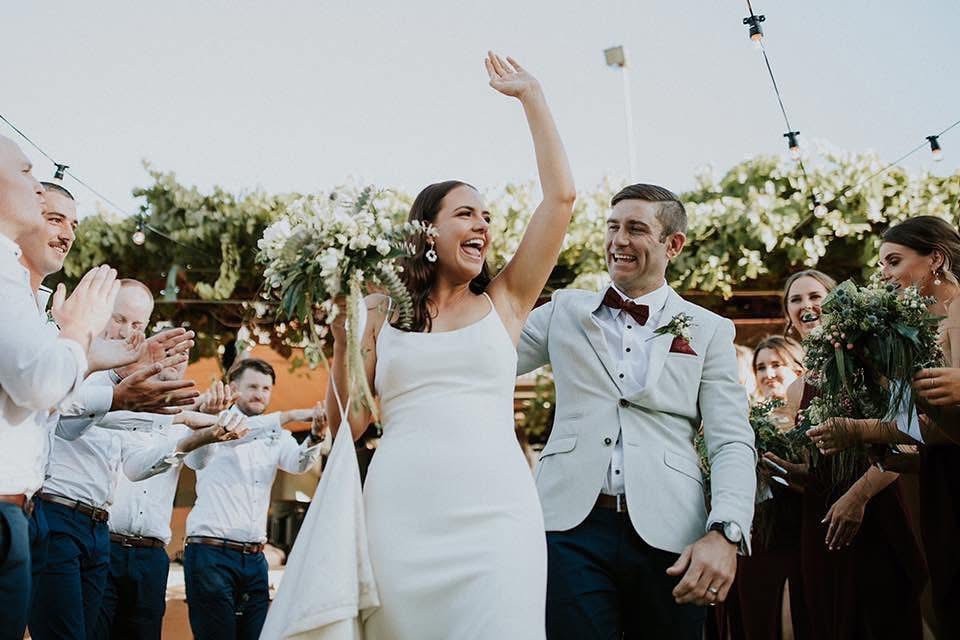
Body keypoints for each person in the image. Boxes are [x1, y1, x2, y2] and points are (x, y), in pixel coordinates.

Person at [320, 52, 575, 639]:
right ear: (428, 231)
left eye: (487, 216)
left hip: (498, 516)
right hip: (400, 516)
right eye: (465, 214)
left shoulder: (508, 299)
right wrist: (340, 340)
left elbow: (560, 199)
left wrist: (533, 96)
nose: (483, 225)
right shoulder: (379, 310)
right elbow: (347, 425)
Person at [517, 182, 756, 639]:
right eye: (612, 227)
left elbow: (730, 439)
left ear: (673, 244)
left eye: (635, 229)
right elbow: (489, 357)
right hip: (568, 529)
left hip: (672, 533)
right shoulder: (563, 310)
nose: (618, 240)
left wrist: (726, 531)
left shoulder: (709, 330)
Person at [809, 216, 960, 636]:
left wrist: (862, 429)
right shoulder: (917, 333)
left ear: (936, 259)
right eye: (882, 265)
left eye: (894, 261)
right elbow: (920, 428)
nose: (885, 274)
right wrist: (864, 430)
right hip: (941, 486)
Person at [0, 134, 121, 639]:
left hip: (22, 509)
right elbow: (40, 384)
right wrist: (78, 333)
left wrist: (91, 358)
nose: (36, 184)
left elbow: (37, 409)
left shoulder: (23, 293)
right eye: (26, 172)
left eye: (74, 224)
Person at [777, 269, 926, 640]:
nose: (807, 304)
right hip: (823, 525)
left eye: (816, 296)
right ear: (789, 318)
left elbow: (909, 437)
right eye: (796, 299)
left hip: (876, 510)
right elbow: (814, 466)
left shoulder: (874, 361)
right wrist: (788, 470)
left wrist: (857, 498)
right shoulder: (796, 389)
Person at [95, 354, 248, 640]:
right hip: (106, 544)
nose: (177, 361)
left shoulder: (186, 420)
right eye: (169, 353)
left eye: (183, 357)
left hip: (151, 554)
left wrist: (207, 425)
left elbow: (200, 462)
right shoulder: (122, 405)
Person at [182, 357, 325, 640]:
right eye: (253, 387)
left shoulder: (276, 434)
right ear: (234, 387)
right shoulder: (214, 422)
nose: (260, 394)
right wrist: (290, 415)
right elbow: (238, 434)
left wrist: (316, 437)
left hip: (254, 558)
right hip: (211, 554)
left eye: (266, 388)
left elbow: (297, 463)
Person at [718, 335, 807, 640]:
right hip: (758, 537)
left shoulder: (809, 418)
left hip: (800, 532)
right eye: (760, 367)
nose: (768, 374)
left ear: (798, 369)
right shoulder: (745, 423)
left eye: (776, 364)